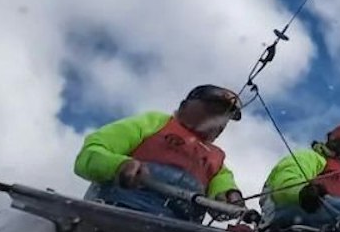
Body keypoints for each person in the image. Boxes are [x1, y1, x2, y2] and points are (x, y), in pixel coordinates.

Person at [74, 85, 246, 221]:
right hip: (119, 209)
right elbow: (90, 154)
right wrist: (119, 165)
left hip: (179, 230)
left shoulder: (217, 159)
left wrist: (229, 197)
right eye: (213, 110)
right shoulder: (154, 123)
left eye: (225, 117)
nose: (219, 121)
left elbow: (223, 184)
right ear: (184, 106)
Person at [262, 121, 340, 231]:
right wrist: (302, 192)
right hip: (291, 213)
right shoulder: (313, 158)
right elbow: (283, 180)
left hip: (329, 231)